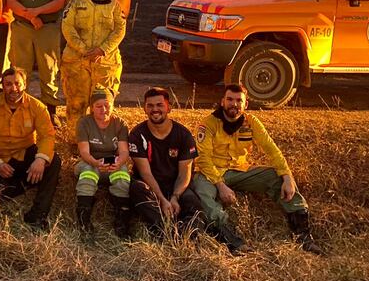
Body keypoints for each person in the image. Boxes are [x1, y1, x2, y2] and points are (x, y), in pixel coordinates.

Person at [192, 84, 322, 254]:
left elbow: (271, 149)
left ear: (245, 105)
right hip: (210, 173)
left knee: (276, 177)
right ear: (222, 101)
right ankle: (232, 241)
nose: (234, 104)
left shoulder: (251, 122)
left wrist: (287, 176)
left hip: (240, 170)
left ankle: (303, 236)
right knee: (201, 192)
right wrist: (220, 184)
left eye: (239, 100)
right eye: (230, 99)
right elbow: (203, 158)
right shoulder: (207, 124)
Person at [0, 67, 61, 230]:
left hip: (24, 157)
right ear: (3, 85)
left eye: (18, 83)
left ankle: (38, 215)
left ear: (25, 84)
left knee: (54, 161)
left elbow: (47, 136)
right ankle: (21, 185)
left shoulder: (37, 106)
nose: (13, 89)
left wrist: (40, 159)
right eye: (8, 84)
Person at [128, 87, 205, 238]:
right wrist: (163, 200)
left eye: (159, 105)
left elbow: (185, 173)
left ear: (169, 107)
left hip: (176, 186)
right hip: (150, 186)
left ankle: (186, 235)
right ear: (144, 108)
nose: (155, 109)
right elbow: (145, 173)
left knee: (194, 206)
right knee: (137, 188)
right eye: (150, 106)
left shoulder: (184, 135)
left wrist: (175, 197)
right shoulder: (137, 134)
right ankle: (165, 232)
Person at [61, 0, 127, 139]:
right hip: (77, 62)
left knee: (102, 105)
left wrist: (102, 50)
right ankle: (76, 143)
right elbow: (67, 27)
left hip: (106, 64)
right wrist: (84, 50)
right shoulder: (75, 3)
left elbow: (120, 30)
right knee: (76, 104)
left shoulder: (114, 5)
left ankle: (103, 144)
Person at [6, 0, 66, 125]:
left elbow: (59, 2)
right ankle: (19, 106)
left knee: (49, 68)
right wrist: (30, 18)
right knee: (19, 68)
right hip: (22, 28)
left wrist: (37, 12)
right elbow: (11, 1)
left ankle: (50, 111)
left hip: (47, 28)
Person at [74, 87, 132, 239]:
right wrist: (95, 162)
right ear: (92, 108)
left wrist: (119, 163)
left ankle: (121, 218)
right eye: (98, 106)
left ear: (113, 105)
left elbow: (124, 151)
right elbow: (84, 152)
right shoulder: (84, 123)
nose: (103, 109)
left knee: (123, 175)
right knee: (88, 172)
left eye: (107, 105)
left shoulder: (120, 123)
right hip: (91, 160)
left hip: (112, 160)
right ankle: (83, 218)